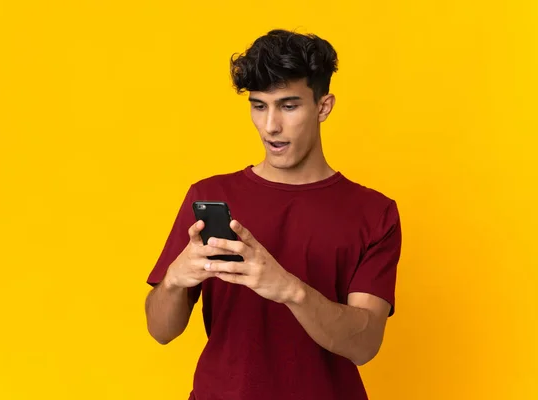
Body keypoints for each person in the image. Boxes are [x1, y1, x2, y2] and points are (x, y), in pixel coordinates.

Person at [144, 29, 402, 400]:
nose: (270, 126)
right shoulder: (210, 195)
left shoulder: (375, 214)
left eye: (289, 105)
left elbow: (364, 345)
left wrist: (288, 289)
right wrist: (174, 281)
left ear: (323, 107)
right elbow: (161, 331)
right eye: (259, 105)